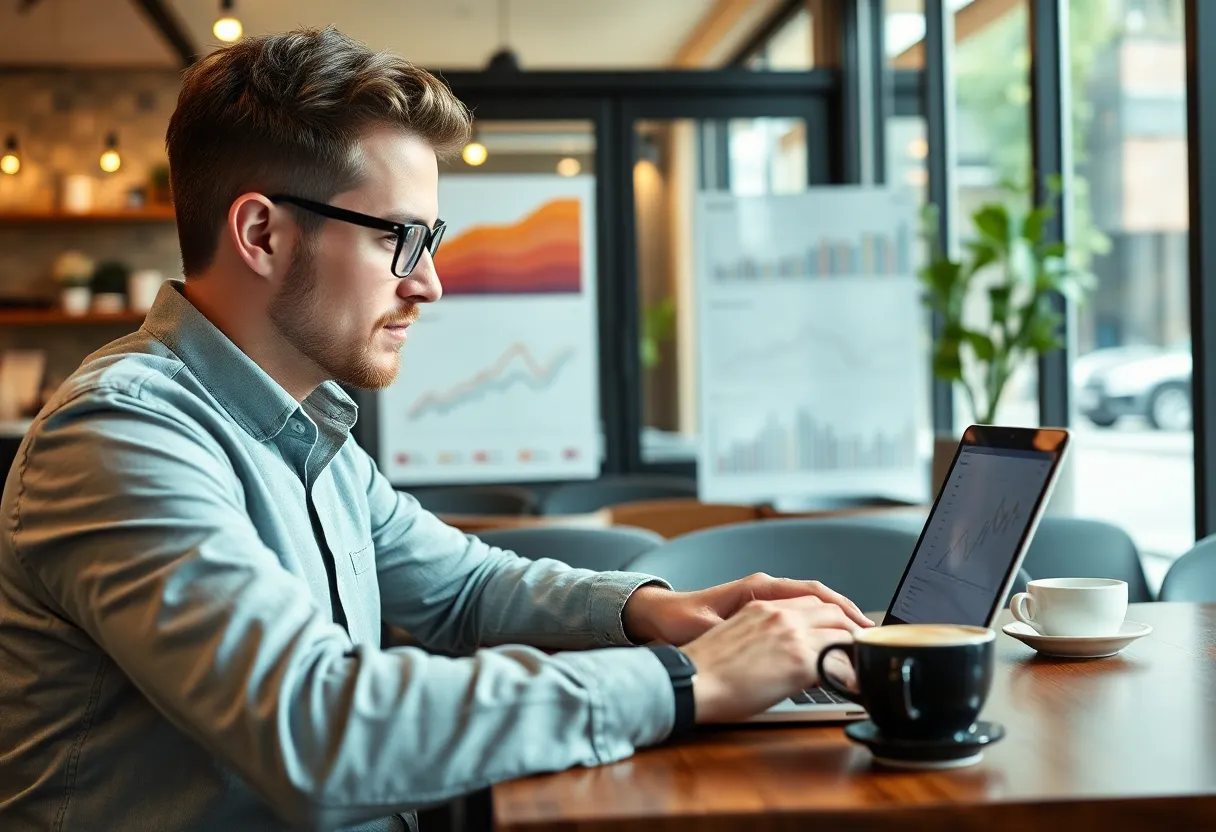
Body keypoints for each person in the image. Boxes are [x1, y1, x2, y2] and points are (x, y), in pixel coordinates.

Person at [0, 27, 872, 832]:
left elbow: (464, 587)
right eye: (401, 241)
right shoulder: (122, 435)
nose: (431, 286)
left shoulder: (305, 431)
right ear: (261, 233)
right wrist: (694, 680)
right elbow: (317, 728)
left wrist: (655, 613)